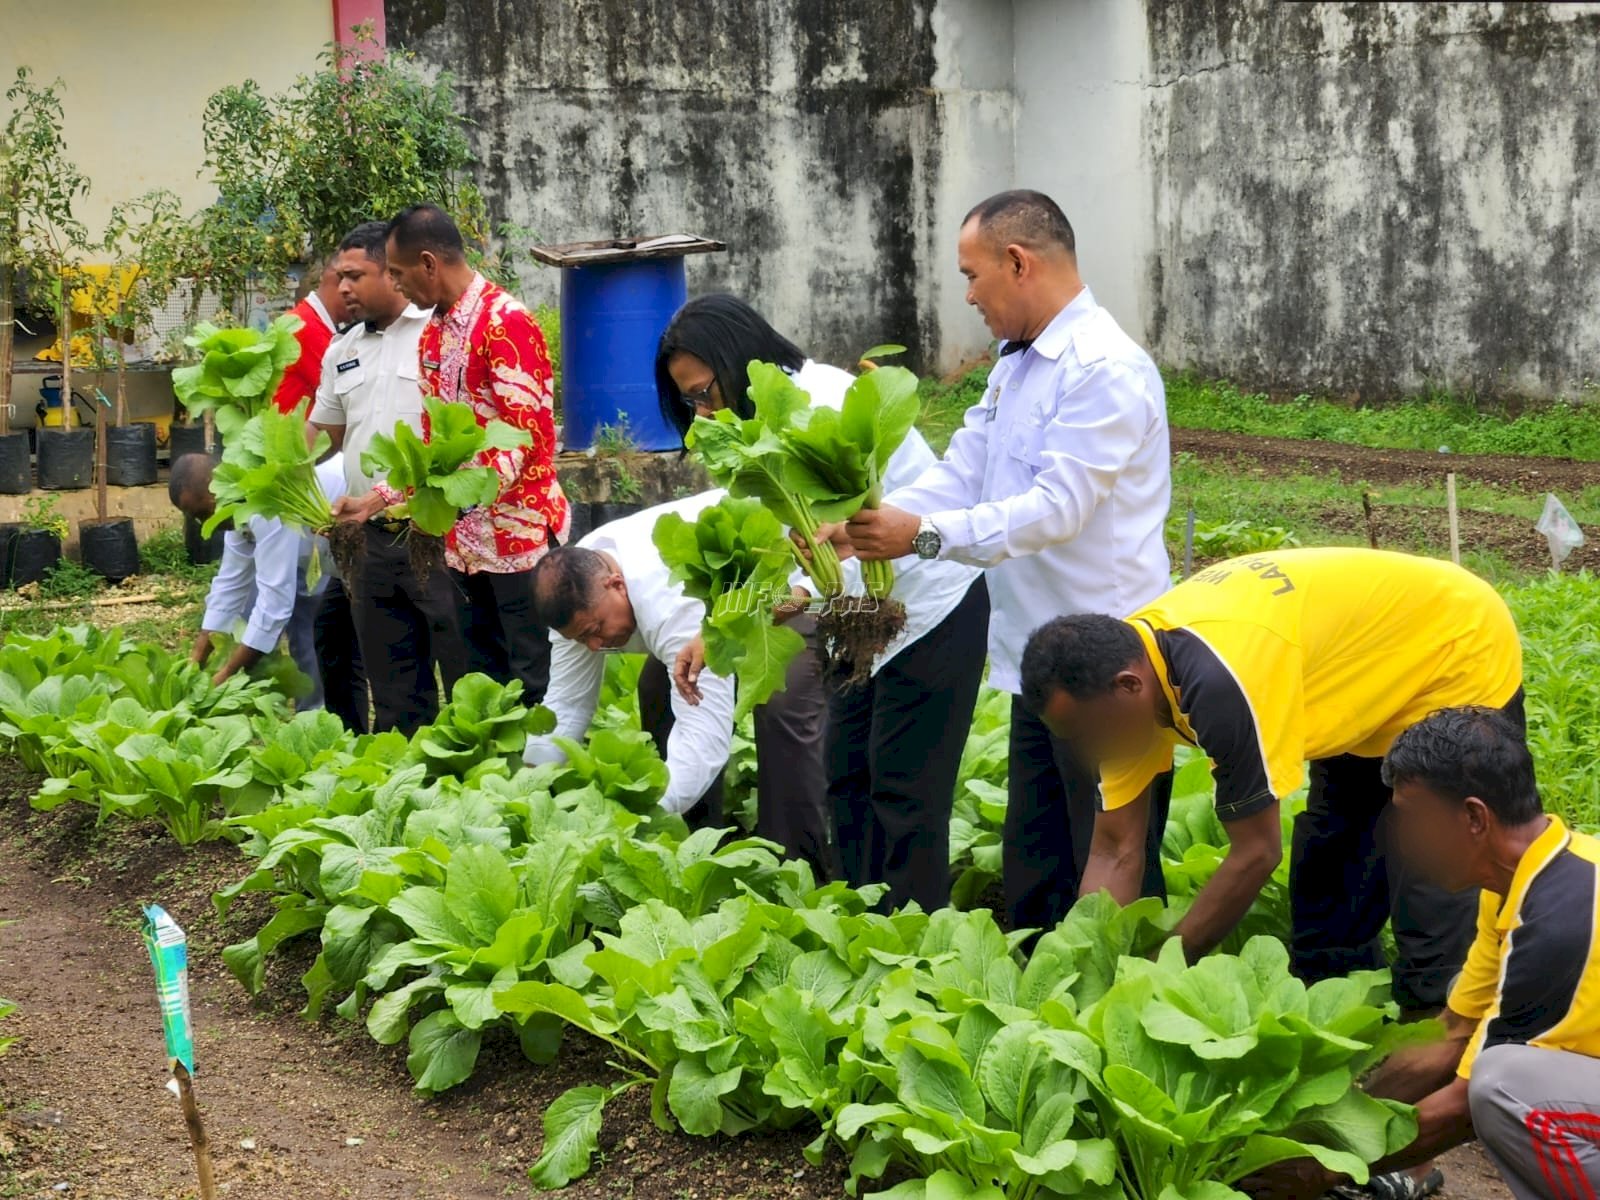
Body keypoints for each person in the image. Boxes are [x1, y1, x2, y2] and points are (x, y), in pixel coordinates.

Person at [834, 189, 1173, 932]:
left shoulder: (1105, 369)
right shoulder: (1015, 366)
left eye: (971, 275)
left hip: (1110, 667)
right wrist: (862, 528)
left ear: (1017, 262)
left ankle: (1125, 1018)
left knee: (1111, 867)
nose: (969, 297)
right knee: (1037, 866)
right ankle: (1040, 1016)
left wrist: (918, 537)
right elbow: (963, 472)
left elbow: (1056, 509)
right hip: (1033, 662)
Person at [1018, 547, 1525, 1013]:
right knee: (1335, 853)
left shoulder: (1216, 682)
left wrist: (1161, 968)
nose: (1088, 748)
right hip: (1359, 670)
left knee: (1435, 861)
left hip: (1451, 643)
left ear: (1128, 688)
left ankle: (1440, 1029)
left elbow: (1256, 853)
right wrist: (1086, 966)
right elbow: (1114, 850)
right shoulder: (1121, 685)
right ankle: (1342, 1009)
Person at [659, 294, 989, 906]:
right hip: (855, 621)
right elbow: (793, 552)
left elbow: (844, 535)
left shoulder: (823, 400)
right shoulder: (753, 434)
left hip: (926, 609)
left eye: (703, 393)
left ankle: (914, 942)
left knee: (904, 790)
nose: (701, 413)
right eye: (690, 402)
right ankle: (864, 925)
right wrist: (721, 629)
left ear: (736, 362)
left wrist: (807, 582)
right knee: (848, 778)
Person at [1248, 706, 1600, 1200]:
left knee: (1503, 1086)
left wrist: (1327, 1170)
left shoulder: (1561, 919)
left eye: (1413, 818)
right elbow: (1452, 1032)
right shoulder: (1517, 884)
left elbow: (1464, 1107)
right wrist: (1326, 1133)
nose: (1403, 840)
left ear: (1474, 817)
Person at [352, 203, 568, 703]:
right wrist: (379, 499)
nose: (397, 286)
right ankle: (487, 778)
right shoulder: (433, 335)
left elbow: (524, 439)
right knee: (478, 682)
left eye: (400, 274)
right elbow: (435, 451)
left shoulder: (506, 323)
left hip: (519, 540)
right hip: (464, 547)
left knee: (531, 682)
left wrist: (454, 497)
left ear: (429, 263)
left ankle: (541, 778)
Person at [318, 221, 467, 734]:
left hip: (437, 533)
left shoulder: (440, 334)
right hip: (371, 539)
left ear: (393, 271)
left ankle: (479, 772)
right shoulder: (341, 351)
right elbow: (323, 436)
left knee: (465, 669)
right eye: (339, 278)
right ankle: (410, 779)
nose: (343, 289)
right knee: (394, 682)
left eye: (355, 276)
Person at [525, 494, 735, 825]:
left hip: (798, 596)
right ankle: (697, 829)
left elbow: (705, 738)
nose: (593, 647)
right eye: (580, 639)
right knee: (655, 688)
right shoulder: (582, 581)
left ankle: (793, 849)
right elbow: (567, 703)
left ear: (617, 584)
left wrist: (638, 816)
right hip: (719, 614)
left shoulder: (671, 604)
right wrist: (531, 783)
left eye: (595, 630)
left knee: (786, 708)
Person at [170, 451, 348, 707]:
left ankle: (316, 712)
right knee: (271, 613)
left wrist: (223, 678)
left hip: (346, 534)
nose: (202, 523)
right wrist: (194, 663)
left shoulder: (267, 507)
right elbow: (229, 585)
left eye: (202, 512)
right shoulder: (235, 507)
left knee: (312, 632)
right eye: (195, 517)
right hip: (305, 550)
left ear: (217, 490)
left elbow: (274, 606)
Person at [271, 260, 348, 415]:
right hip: (297, 436)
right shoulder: (305, 326)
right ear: (339, 282)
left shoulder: (307, 320)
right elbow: (346, 393)